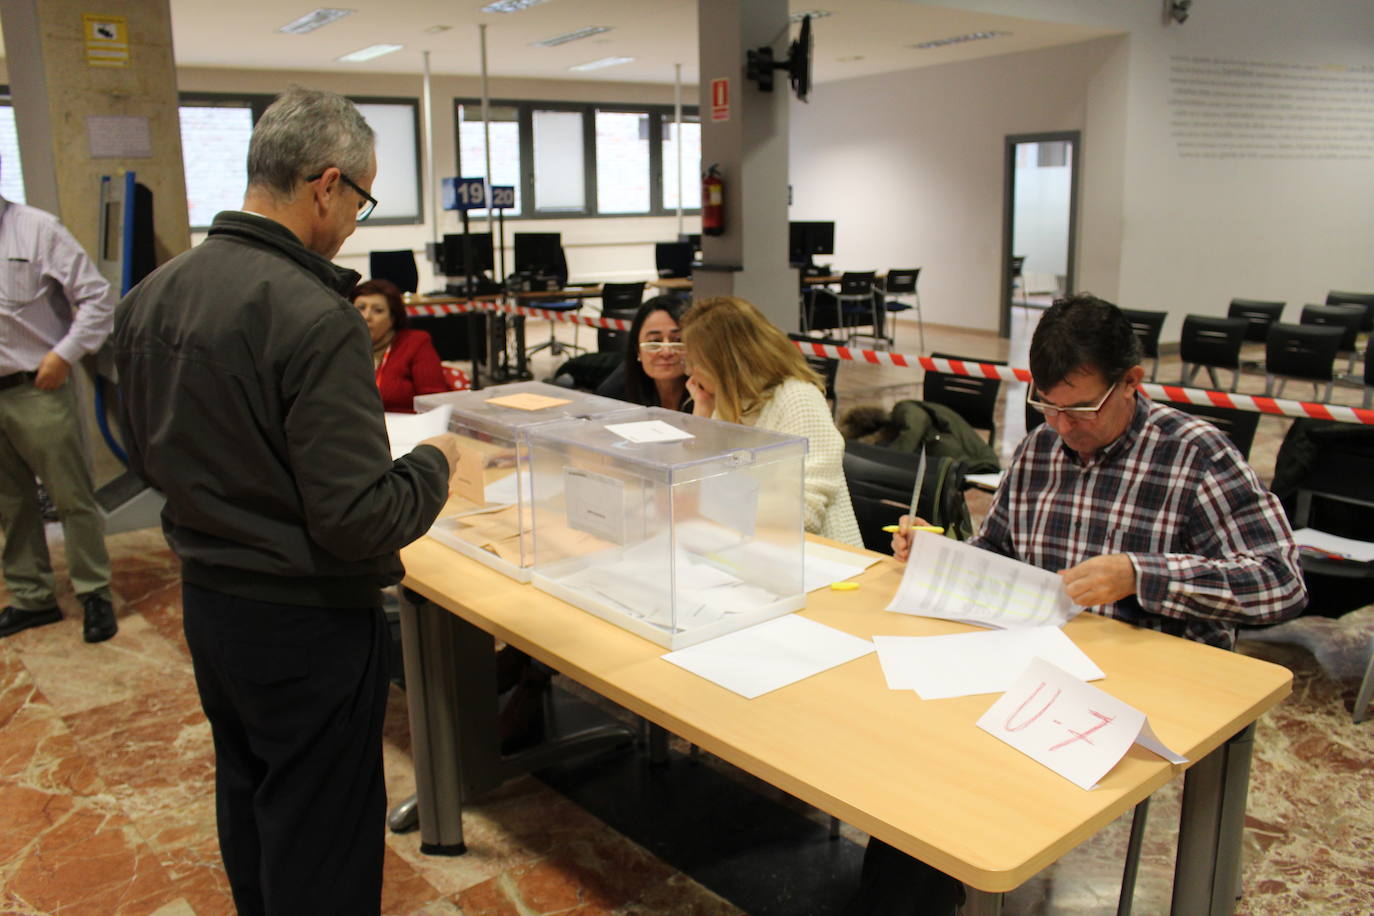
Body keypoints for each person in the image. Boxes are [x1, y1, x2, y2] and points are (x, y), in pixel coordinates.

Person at [112, 86, 461, 916]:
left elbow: (140, 449)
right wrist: (436, 463)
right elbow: (359, 517)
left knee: (253, 800)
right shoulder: (315, 315)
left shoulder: (152, 296)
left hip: (210, 600)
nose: (352, 224)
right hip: (306, 620)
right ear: (325, 185)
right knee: (325, 838)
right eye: (362, 201)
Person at [865, 293, 1307, 916]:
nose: (1063, 428)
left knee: (953, 783)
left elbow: (1280, 580)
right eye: (1046, 407)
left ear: (1132, 382)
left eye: (1081, 409)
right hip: (1029, 669)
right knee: (910, 763)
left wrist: (1142, 575)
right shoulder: (1041, 450)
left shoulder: (1195, 455)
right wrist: (940, 555)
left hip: (1136, 698)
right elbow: (999, 551)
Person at [0, 163, 118, 644]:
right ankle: (32, 598)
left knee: (72, 497)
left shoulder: (37, 228)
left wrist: (64, 355)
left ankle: (95, 593)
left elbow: (97, 298)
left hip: (39, 386)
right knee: (10, 503)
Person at [680, 295, 861, 547]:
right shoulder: (729, 402)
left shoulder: (798, 399)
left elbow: (804, 514)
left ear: (727, 364)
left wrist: (713, 501)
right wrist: (702, 414)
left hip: (822, 558)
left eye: (696, 362)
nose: (689, 372)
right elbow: (692, 486)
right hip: (752, 549)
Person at [351, 277, 448, 412]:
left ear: (393, 318)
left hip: (407, 428)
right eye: (360, 308)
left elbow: (434, 402)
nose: (367, 316)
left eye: (378, 310)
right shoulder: (344, 346)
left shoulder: (415, 343)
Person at [596, 295, 693, 411]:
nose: (666, 352)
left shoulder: (712, 390)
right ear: (637, 350)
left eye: (678, 340)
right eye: (654, 341)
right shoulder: (616, 392)